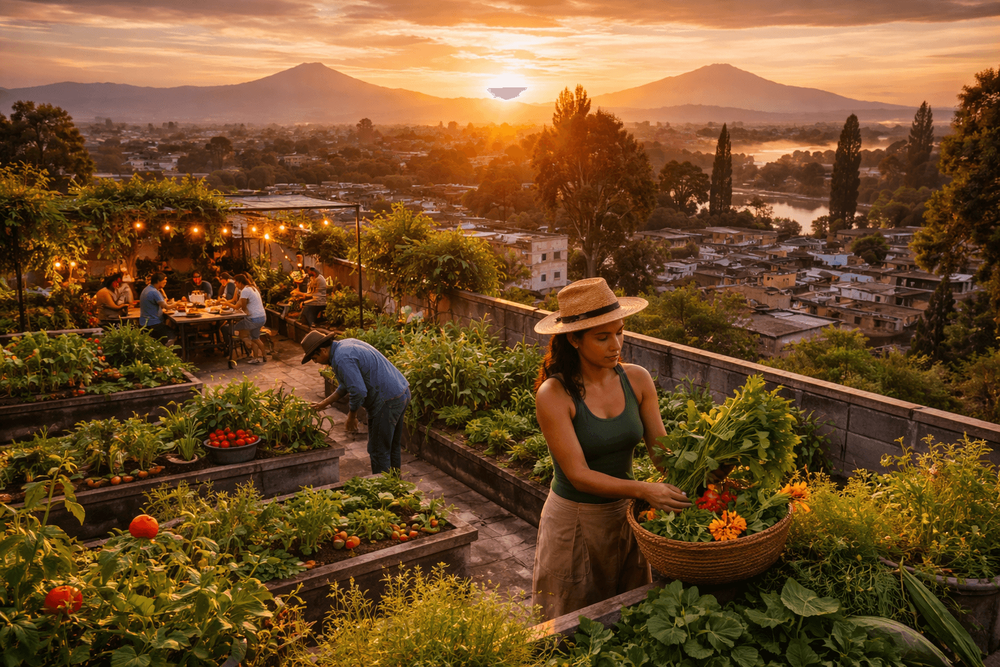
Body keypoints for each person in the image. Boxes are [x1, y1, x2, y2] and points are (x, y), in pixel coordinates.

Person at [530, 277, 691, 621]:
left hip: (625, 518)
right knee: (570, 623)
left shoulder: (637, 379)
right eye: (602, 337)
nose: (615, 344)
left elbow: (662, 455)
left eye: (619, 332)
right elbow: (579, 475)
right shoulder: (554, 395)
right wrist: (646, 490)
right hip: (574, 523)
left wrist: (705, 465)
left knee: (626, 620)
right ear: (574, 339)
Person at [302, 331, 410, 474]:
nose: (315, 362)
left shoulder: (342, 358)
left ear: (323, 350)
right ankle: (396, 488)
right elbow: (347, 384)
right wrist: (324, 403)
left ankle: (385, 491)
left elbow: (358, 391)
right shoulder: (344, 346)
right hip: (401, 392)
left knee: (378, 450)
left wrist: (352, 415)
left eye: (314, 358)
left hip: (387, 402)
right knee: (391, 446)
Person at [231, 273, 267, 364]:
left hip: (254, 319)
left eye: (236, 283)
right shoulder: (253, 288)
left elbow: (243, 307)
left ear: (239, 282)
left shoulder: (245, 290)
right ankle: (262, 356)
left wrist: (244, 312)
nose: (236, 285)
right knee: (255, 338)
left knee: (233, 328)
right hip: (262, 317)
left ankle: (247, 343)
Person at [138, 271, 175, 343]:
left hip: (145, 324)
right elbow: (166, 307)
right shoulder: (154, 292)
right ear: (158, 281)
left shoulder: (147, 289)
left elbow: (161, 304)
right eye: (164, 280)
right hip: (153, 325)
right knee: (173, 335)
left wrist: (162, 290)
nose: (166, 281)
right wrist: (178, 304)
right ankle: (165, 351)